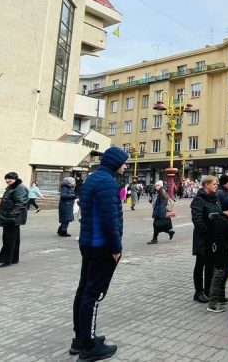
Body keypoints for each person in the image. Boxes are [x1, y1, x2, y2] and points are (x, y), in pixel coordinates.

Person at [69, 147, 128, 360]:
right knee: (93, 295)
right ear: (114, 163)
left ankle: (81, 338)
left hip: (89, 243)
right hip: (101, 245)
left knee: (84, 290)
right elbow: (110, 220)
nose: (126, 165)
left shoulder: (95, 178)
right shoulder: (106, 182)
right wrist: (116, 248)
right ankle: (89, 348)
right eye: (123, 162)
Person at [206, 193, 228, 312]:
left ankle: (220, 297)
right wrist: (227, 249)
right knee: (218, 277)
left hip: (227, 254)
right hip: (222, 254)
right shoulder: (220, 221)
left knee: (224, 275)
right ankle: (212, 303)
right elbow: (219, 238)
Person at [0, 172, 29, 269]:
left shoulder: (19, 187)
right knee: (14, 239)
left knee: (8, 239)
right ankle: (13, 258)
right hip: (11, 217)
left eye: (9, 179)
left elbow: (21, 202)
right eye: (6, 179)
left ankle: (4, 260)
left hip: (11, 218)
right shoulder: (13, 187)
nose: (7, 181)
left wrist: (12, 215)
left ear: (15, 179)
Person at [191, 176, 220, 303]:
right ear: (206, 185)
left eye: (216, 184)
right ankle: (198, 292)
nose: (216, 185)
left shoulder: (215, 198)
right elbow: (197, 219)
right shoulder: (199, 199)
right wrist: (207, 231)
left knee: (210, 265)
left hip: (213, 237)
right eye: (214, 184)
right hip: (202, 237)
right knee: (200, 264)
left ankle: (208, 290)